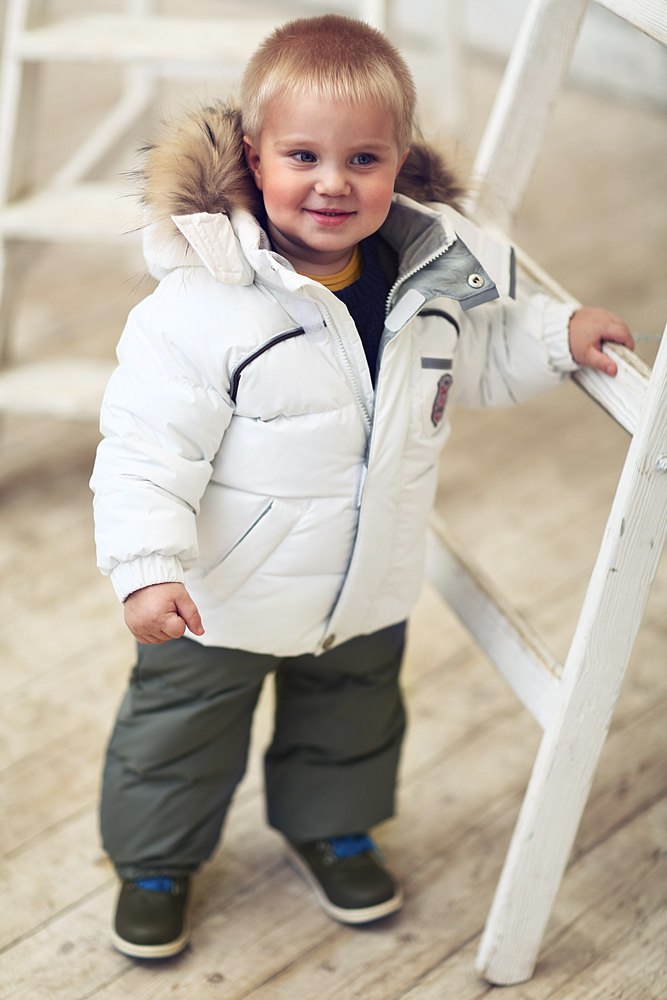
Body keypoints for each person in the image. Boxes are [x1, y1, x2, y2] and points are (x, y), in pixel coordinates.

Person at [90, 14, 634, 960]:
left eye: (363, 159)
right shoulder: (202, 307)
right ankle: (154, 861)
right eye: (303, 156)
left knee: (351, 716)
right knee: (179, 729)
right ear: (254, 158)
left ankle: (332, 827)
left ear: (399, 161)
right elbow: (145, 448)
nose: (333, 183)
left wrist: (555, 337)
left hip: (368, 580)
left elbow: (480, 358)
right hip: (221, 593)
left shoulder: (428, 278)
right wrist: (146, 567)